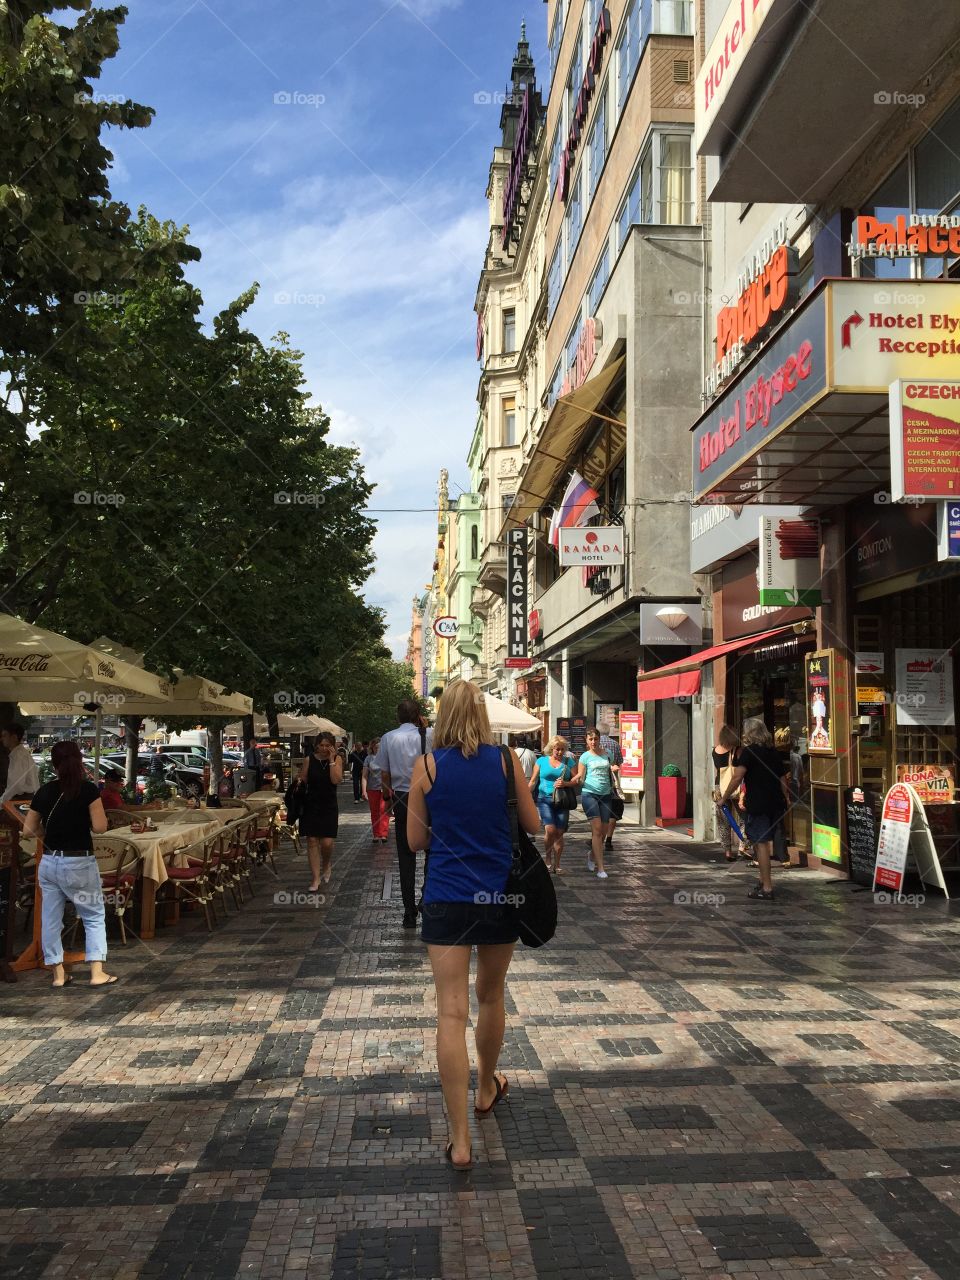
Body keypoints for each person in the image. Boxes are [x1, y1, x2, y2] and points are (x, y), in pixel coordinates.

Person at [405, 680, 540, 1170]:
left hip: (445, 899)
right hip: (499, 897)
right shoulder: (506, 763)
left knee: (450, 1013)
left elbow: (416, 841)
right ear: (483, 717)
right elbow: (531, 824)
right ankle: (486, 1087)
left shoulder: (428, 767)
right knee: (491, 995)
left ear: (442, 717)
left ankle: (460, 1142)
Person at [21, 740, 117, 988]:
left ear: (53, 763)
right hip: (79, 862)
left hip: (50, 862)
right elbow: (100, 827)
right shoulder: (88, 790)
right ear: (79, 760)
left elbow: (27, 830)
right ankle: (97, 973)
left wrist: (49, 829)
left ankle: (58, 975)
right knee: (93, 915)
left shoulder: (44, 792)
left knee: (51, 918)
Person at [718, 717, 790, 901]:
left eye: (745, 732)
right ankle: (762, 880)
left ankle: (766, 888)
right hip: (775, 803)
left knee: (762, 844)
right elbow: (783, 779)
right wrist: (787, 799)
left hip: (758, 804)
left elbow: (736, 778)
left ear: (750, 733)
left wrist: (724, 798)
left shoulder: (749, 753)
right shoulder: (772, 752)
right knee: (762, 842)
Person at [379, 698, 433, 929]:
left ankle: (409, 912)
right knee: (433, 850)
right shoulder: (430, 734)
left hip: (402, 797)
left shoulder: (388, 738)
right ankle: (426, 897)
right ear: (417, 715)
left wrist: (387, 797)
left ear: (397, 717)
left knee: (405, 855)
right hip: (429, 795)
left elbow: (384, 774)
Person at [298, 732, 343, 890]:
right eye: (321, 745)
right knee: (311, 841)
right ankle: (315, 878)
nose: (324, 748)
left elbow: (336, 780)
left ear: (332, 746)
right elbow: (302, 779)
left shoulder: (337, 759)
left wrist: (331, 760)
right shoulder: (309, 760)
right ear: (316, 745)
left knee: (327, 842)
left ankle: (326, 863)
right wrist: (298, 784)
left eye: (327, 745)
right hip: (311, 804)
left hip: (329, 806)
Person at [573, 728, 619, 879]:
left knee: (603, 833)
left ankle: (592, 854)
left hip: (606, 795)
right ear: (586, 741)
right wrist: (576, 779)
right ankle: (601, 868)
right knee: (597, 829)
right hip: (589, 794)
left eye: (595, 739)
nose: (593, 742)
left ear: (599, 739)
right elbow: (580, 775)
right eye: (590, 739)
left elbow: (612, 770)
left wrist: (615, 769)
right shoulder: (584, 757)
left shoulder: (607, 754)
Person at [529, 735, 575, 874]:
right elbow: (533, 780)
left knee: (559, 833)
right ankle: (548, 859)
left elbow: (576, 781)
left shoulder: (569, 762)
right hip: (545, 799)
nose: (559, 752)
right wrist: (525, 794)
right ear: (551, 749)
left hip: (562, 800)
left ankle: (558, 864)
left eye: (562, 749)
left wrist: (565, 783)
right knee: (550, 830)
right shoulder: (542, 761)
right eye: (557, 749)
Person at [712, 724, 746, 863]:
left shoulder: (715, 750)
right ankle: (743, 846)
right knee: (743, 816)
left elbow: (718, 769)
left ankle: (727, 851)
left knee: (723, 820)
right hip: (734, 786)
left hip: (719, 786)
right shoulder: (738, 750)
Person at [0, 723, 40, 805]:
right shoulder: (19, 753)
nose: (1, 739)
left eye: (4, 735)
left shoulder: (19, 756)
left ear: (14, 737)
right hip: (25, 798)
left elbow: (15, 786)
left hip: (20, 800)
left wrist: (1, 802)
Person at [598, 729, 623, 852]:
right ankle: (609, 839)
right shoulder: (615, 744)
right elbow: (619, 763)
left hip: (599, 784)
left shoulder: (595, 744)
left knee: (600, 813)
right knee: (613, 812)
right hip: (612, 783)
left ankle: (597, 838)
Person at [362, 736, 390, 844]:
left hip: (385, 787)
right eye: (375, 747)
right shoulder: (368, 758)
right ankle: (376, 834)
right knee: (374, 812)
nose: (377, 749)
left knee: (384, 809)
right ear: (372, 748)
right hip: (372, 788)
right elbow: (364, 776)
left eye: (379, 747)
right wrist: (364, 791)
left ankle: (383, 833)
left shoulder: (387, 758)